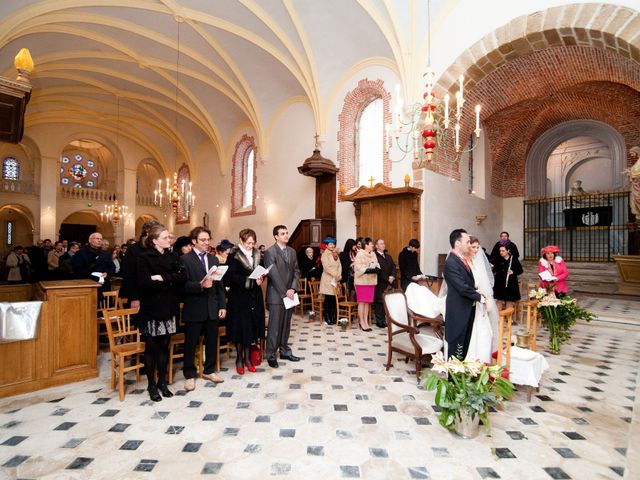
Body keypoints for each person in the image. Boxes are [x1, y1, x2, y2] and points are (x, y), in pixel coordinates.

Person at [136, 225, 186, 401]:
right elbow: (143, 282)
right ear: (155, 240)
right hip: (152, 308)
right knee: (151, 347)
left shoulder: (173, 256)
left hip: (169, 306)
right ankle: (151, 384)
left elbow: (182, 277)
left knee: (165, 346)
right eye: (165, 237)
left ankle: (162, 382)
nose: (169, 240)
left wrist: (163, 278)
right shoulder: (144, 257)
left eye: (169, 237)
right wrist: (168, 280)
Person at [180, 226, 227, 390]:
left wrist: (222, 305)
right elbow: (181, 286)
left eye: (208, 240)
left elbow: (220, 285)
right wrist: (199, 285)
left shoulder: (214, 259)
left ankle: (209, 370)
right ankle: (189, 374)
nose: (207, 243)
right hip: (194, 307)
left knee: (212, 340)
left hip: (212, 306)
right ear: (194, 241)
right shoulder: (184, 259)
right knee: (190, 343)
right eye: (203, 240)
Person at [225, 228, 266, 375]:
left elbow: (262, 270)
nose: (251, 246)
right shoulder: (233, 255)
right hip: (239, 296)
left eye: (253, 243)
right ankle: (239, 359)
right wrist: (248, 281)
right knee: (241, 327)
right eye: (248, 243)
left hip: (254, 295)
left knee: (251, 327)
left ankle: (248, 358)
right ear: (241, 241)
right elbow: (229, 277)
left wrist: (261, 277)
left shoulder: (257, 254)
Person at [263, 224, 301, 368]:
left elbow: (296, 271)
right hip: (276, 295)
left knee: (286, 324)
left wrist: (292, 288)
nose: (286, 235)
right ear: (276, 236)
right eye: (283, 233)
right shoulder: (269, 252)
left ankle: (285, 350)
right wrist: (285, 291)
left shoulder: (292, 251)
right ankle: (271, 355)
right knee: (275, 327)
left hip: (290, 294)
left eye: (287, 232)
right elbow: (273, 275)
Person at [443, 229, 484, 360]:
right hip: (458, 310)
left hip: (467, 308)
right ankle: (453, 379)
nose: (469, 244)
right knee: (456, 346)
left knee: (464, 345)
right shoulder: (451, 262)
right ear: (458, 243)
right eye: (467, 241)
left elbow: (469, 283)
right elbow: (462, 287)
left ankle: (459, 376)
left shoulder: (462, 260)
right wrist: (479, 297)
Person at [464, 236, 499, 363]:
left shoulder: (477, 262)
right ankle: (471, 358)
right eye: (473, 247)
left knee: (484, 330)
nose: (476, 250)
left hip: (481, 299)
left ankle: (483, 359)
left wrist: (485, 296)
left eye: (478, 247)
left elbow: (484, 281)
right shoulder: (465, 262)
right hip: (472, 298)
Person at [119, 220, 162, 309]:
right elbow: (128, 275)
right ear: (147, 234)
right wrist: (134, 298)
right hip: (136, 295)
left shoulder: (156, 248)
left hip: (152, 295)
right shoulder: (132, 250)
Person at [72, 232, 115, 298]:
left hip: (103, 285)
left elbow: (112, 267)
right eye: (97, 238)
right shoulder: (81, 253)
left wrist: (107, 273)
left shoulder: (106, 254)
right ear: (90, 240)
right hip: (88, 284)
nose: (99, 240)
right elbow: (78, 269)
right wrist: (94, 276)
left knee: (104, 307)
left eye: (101, 239)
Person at [353, 237, 378, 331]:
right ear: (366, 245)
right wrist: (368, 268)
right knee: (362, 302)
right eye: (371, 244)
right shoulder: (360, 254)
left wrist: (375, 267)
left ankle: (366, 322)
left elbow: (376, 263)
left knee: (367, 302)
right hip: (362, 281)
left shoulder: (373, 254)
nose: (372, 246)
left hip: (371, 281)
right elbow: (358, 267)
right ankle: (361, 321)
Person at [492, 244, 523, 309]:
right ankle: (498, 318)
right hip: (499, 283)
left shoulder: (513, 259)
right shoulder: (498, 259)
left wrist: (513, 272)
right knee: (499, 300)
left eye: (503, 251)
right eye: (500, 251)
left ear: (508, 251)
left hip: (511, 283)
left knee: (509, 301)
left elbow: (520, 270)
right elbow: (495, 270)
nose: (501, 252)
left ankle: (509, 318)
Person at [319, 237, 342, 325]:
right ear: (327, 245)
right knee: (328, 299)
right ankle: (327, 317)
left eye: (333, 244)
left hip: (335, 280)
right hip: (328, 280)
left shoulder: (335, 254)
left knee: (334, 299)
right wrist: (335, 275)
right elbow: (326, 268)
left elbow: (339, 265)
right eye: (331, 244)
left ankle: (334, 317)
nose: (333, 245)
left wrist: (339, 275)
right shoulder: (325, 255)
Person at [373, 238, 395, 328]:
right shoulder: (374, 256)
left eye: (383, 243)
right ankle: (379, 321)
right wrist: (387, 278)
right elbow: (378, 270)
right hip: (380, 282)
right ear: (376, 246)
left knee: (387, 302)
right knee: (379, 302)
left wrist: (393, 276)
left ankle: (386, 320)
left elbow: (393, 267)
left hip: (389, 283)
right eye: (381, 244)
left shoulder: (388, 257)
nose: (383, 245)